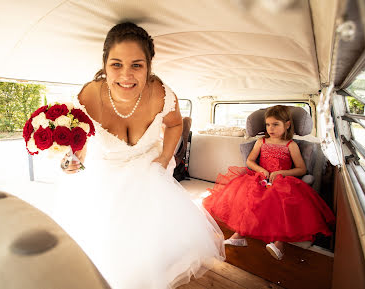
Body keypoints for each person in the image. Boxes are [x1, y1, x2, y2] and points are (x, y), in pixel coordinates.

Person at [52, 22, 224, 289]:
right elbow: (79, 141)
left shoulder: (162, 95)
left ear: (149, 66)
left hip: (150, 174)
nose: (126, 75)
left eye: (137, 65)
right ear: (105, 64)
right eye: (116, 64)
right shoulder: (87, 96)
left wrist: (166, 157)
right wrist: (70, 160)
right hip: (105, 179)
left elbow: (175, 124)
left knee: (155, 250)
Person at [202, 105, 335, 260]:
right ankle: (239, 235)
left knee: (281, 202)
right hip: (260, 178)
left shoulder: (290, 145)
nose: (270, 128)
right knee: (250, 196)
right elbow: (250, 161)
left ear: (287, 124)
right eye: (268, 124)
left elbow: (301, 169)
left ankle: (279, 244)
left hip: (281, 180)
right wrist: (261, 170)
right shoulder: (261, 141)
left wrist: (281, 173)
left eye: (275, 124)